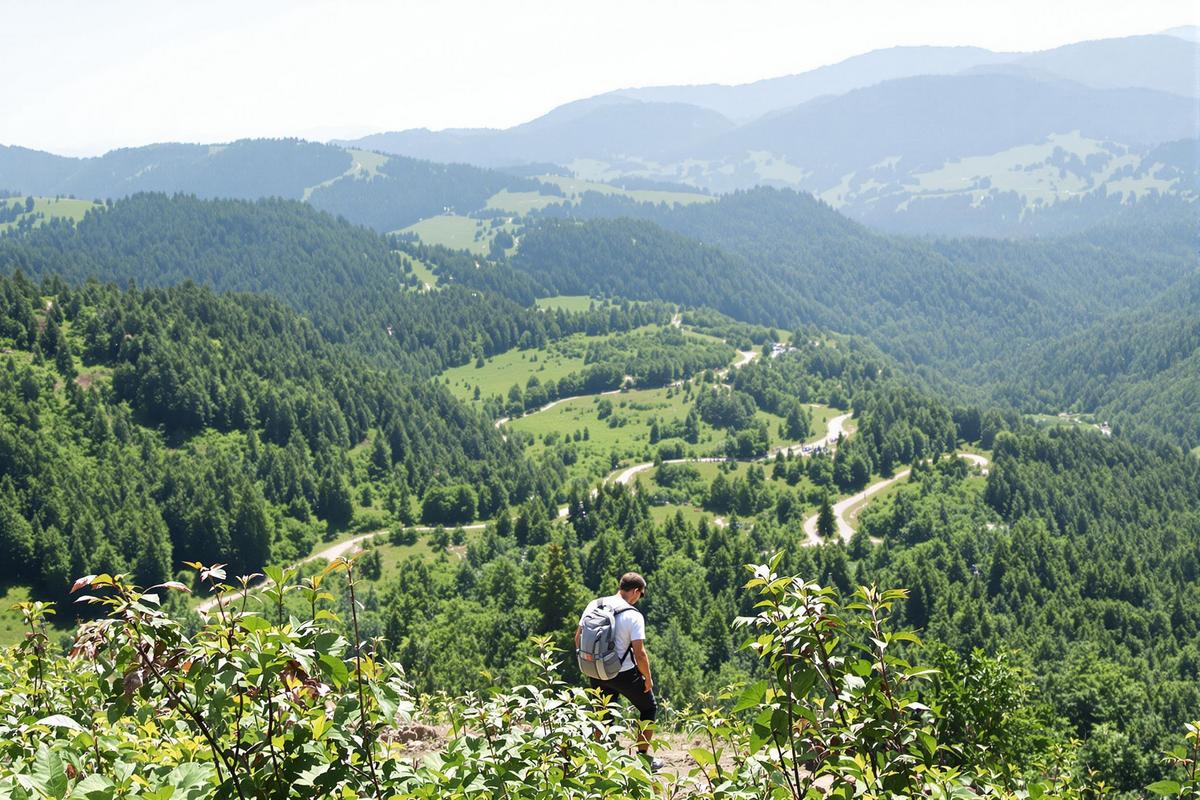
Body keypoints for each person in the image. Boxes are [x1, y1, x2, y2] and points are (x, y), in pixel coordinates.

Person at [576, 572, 660, 769]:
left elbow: (578, 637)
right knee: (649, 708)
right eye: (640, 594)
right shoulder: (633, 615)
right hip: (623, 673)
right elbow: (640, 654)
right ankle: (643, 759)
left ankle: (602, 758)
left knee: (603, 713)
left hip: (595, 670)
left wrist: (590, 664)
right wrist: (647, 678)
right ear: (636, 591)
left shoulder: (595, 605)